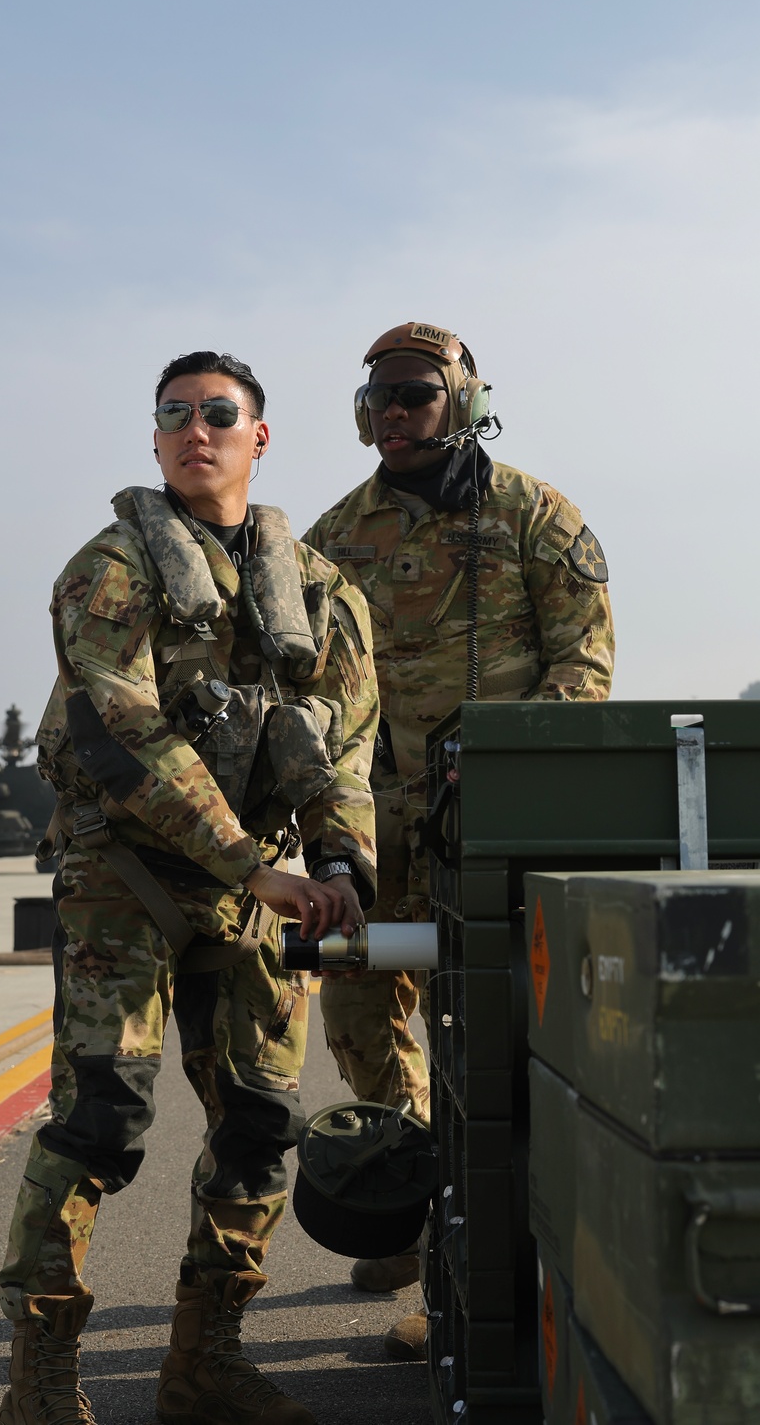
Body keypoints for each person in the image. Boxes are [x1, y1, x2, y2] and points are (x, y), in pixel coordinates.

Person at [0, 350, 378, 1425]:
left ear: (260, 436)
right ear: (156, 441)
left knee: (261, 1120)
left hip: (252, 885)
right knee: (99, 1120)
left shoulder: (320, 591)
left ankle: (203, 1361)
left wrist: (337, 862)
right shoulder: (110, 568)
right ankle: (39, 1377)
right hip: (126, 871)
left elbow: (344, 744)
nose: (195, 430)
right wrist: (255, 864)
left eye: (219, 413)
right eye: (175, 416)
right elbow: (121, 726)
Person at [304, 321, 614, 1357]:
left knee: (491, 1035)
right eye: (379, 400)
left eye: (415, 394)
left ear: (465, 402)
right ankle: (414, 1193)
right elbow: (301, 689)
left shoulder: (532, 514)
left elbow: (583, 663)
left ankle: (481, 1248)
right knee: (356, 1009)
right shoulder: (335, 537)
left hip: (496, 825)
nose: (394, 414)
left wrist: (522, 774)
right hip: (375, 832)